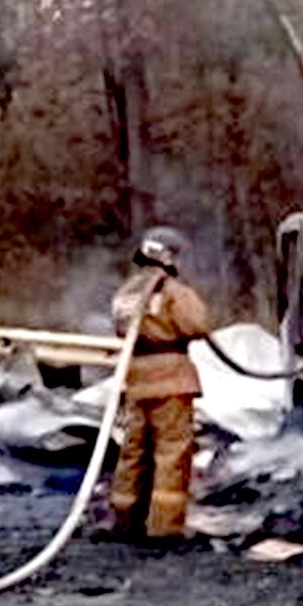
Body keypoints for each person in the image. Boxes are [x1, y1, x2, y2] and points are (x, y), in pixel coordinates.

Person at [106, 227, 211, 546]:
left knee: (133, 452)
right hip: (170, 378)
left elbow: (121, 330)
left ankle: (125, 519)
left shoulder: (128, 291)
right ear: (170, 256)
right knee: (172, 452)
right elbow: (198, 324)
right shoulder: (172, 291)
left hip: (137, 379)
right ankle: (164, 528)